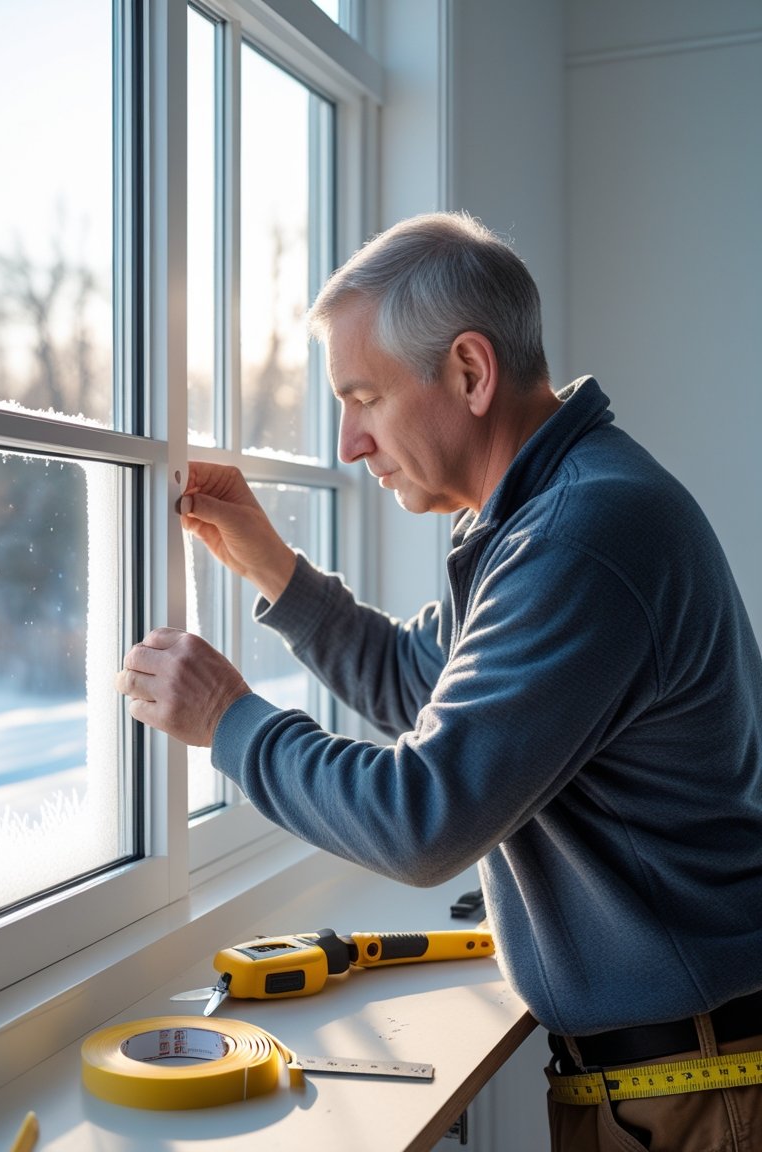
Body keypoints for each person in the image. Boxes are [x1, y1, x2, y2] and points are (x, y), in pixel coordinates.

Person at [116, 211, 762, 1151]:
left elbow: (424, 819)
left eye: (364, 397)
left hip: (696, 1088)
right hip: (666, 1070)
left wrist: (229, 720)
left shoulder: (580, 537)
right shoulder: (547, 511)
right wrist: (273, 570)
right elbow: (416, 679)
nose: (348, 444)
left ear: (469, 372)